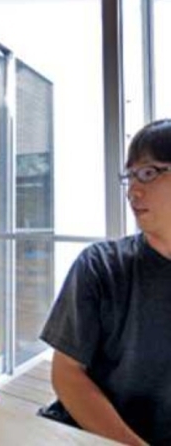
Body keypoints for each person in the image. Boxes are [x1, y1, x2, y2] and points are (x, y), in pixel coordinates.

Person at [40, 119, 171, 446]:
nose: (132, 191)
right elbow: (66, 373)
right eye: (130, 176)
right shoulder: (99, 266)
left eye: (148, 173)